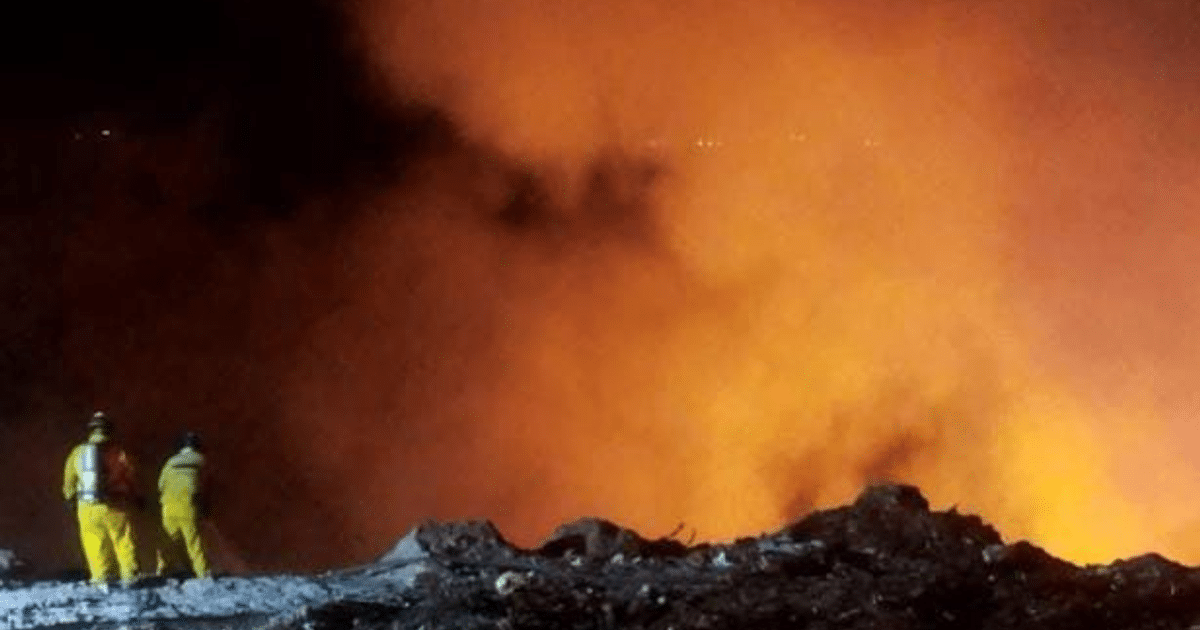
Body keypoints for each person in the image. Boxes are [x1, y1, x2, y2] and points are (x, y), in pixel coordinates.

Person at [62, 411, 142, 587]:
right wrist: (137, 497)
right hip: (116, 504)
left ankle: (101, 578)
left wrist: (69, 499)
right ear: (109, 430)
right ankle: (130, 578)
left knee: (94, 543)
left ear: (90, 430)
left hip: (87, 506)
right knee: (123, 540)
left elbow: (69, 481)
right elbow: (131, 477)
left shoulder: (78, 452)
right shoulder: (120, 452)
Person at [155, 431, 211, 579]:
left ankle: (163, 571)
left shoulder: (170, 462)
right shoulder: (201, 460)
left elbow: (161, 485)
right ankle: (202, 573)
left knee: (168, 541)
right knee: (193, 542)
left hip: (168, 507)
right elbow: (207, 485)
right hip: (188, 507)